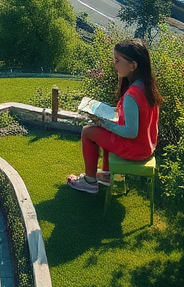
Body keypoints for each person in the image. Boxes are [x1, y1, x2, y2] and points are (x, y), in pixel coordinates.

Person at [67, 38, 162, 194]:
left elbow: (131, 132)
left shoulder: (132, 94)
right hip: (146, 146)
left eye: (117, 60)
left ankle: (90, 181)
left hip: (135, 149)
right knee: (105, 131)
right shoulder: (146, 87)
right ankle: (105, 174)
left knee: (88, 131)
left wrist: (104, 123)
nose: (114, 64)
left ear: (133, 66)